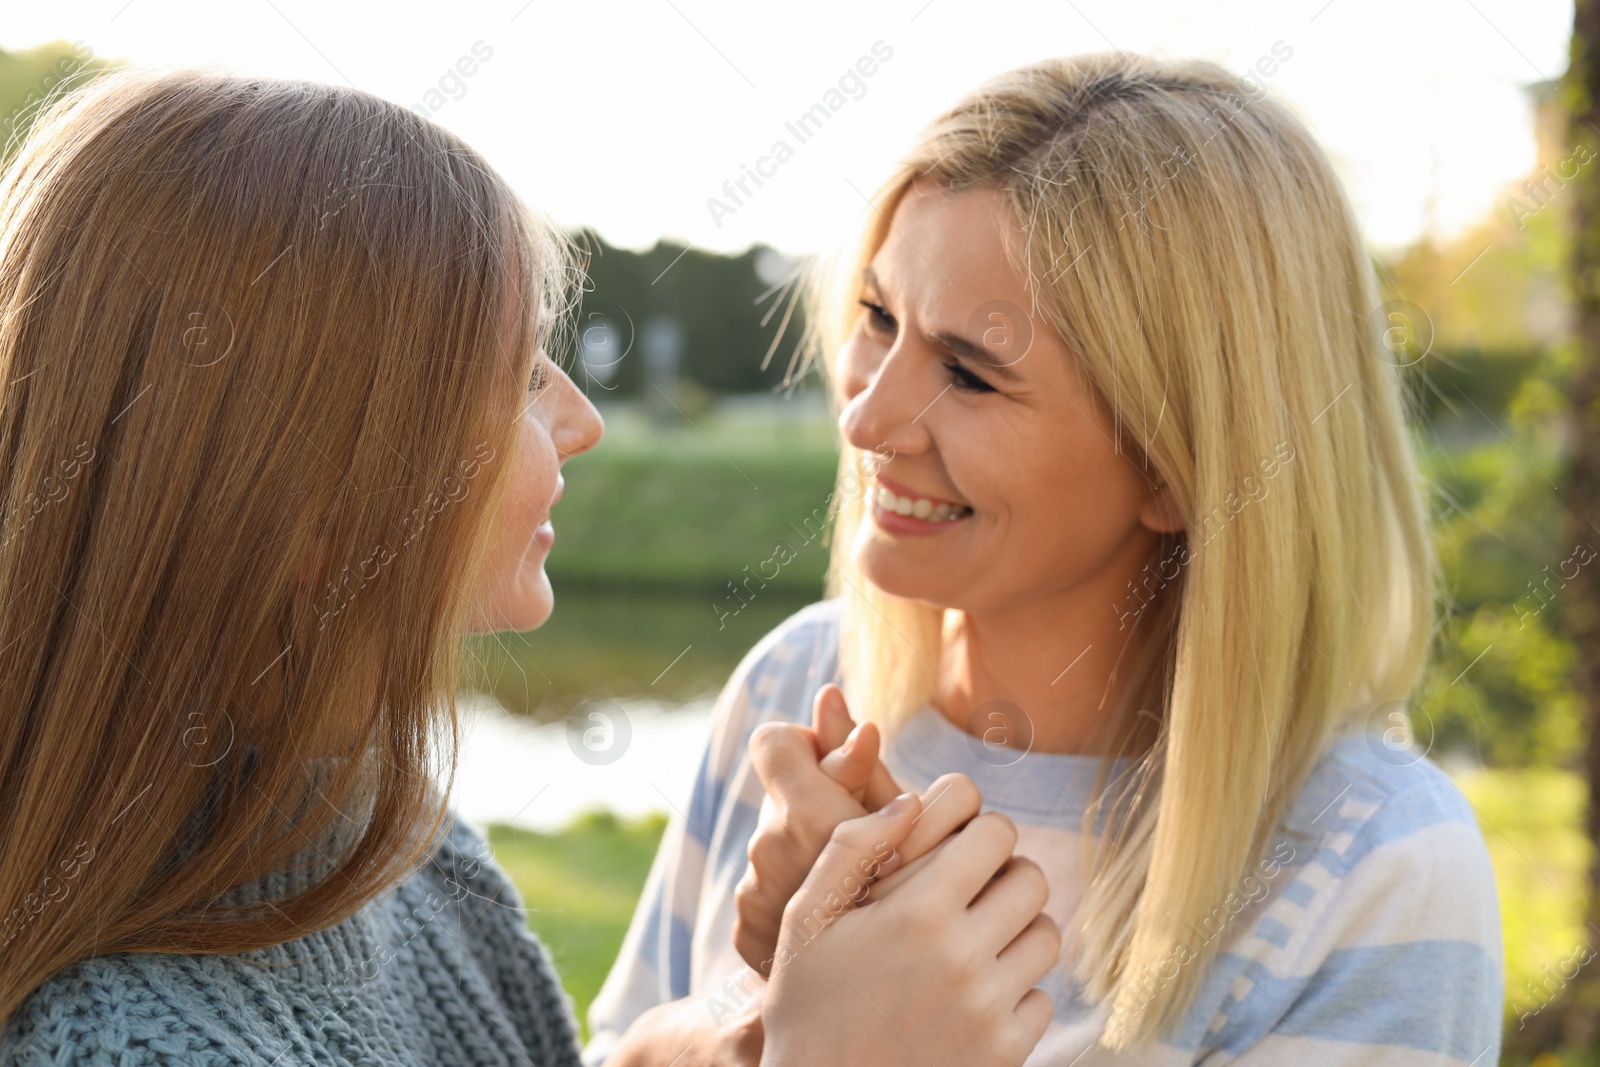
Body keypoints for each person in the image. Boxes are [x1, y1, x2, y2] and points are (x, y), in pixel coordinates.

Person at [0, 66, 1057, 1066]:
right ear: (309, 500)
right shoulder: (119, 1036)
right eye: (516, 379)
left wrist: (766, 1015)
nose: (584, 420)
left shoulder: (386, 832)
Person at [587, 52, 1506, 1065]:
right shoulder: (801, 682)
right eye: (877, 317)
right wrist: (765, 1005)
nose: (865, 415)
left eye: (970, 375)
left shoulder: (1374, 865)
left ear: (1179, 465)